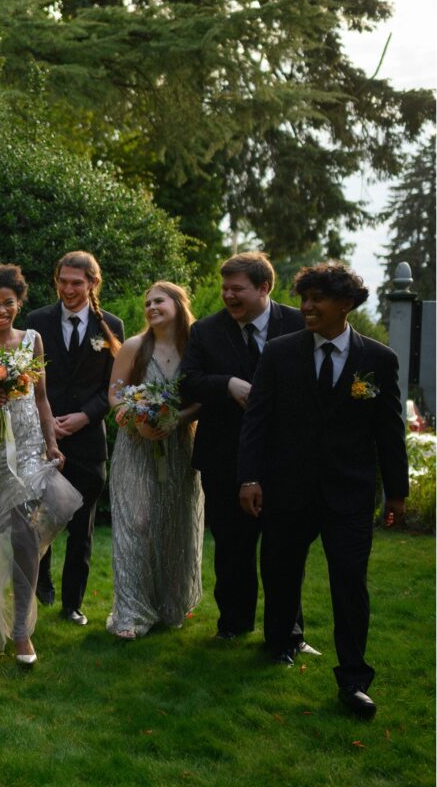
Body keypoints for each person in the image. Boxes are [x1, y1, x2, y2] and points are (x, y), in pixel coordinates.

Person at [239, 260, 409, 720]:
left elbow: (389, 432)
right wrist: (250, 478)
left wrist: (396, 493)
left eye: (318, 299)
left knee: (350, 583)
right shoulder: (278, 352)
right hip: (286, 488)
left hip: (349, 494)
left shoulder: (378, 360)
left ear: (347, 305)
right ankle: (282, 642)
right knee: (279, 569)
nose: (307, 307)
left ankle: (353, 679)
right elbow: (257, 422)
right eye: (304, 298)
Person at [0, 263, 79, 665]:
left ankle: (21, 629)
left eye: (8, 302)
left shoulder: (33, 340)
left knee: (26, 537)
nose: (1, 310)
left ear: (18, 303)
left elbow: (41, 399)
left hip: (26, 450)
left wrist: (51, 443)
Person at [180, 252, 304, 644]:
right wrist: (227, 384)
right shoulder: (206, 330)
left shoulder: (298, 324)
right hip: (224, 457)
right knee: (232, 549)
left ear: (264, 287)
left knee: (285, 551)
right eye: (225, 288)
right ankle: (233, 625)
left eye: (238, 289)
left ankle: (288, 633)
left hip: (284, 457)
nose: (228, 296)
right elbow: (188, 382)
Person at [24, 251, 124, 624]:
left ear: (92, 284)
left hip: (87, 440)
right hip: (41, 434)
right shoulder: (36, 323)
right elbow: (30, 377)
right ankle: (41, 585)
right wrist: (49, 421)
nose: (68, 289)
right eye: (62, 281)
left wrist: (84, 417)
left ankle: (73, 604)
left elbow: (113, 385)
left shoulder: (111, 325)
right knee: (40, 518)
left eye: (76, 283)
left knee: (81, 527)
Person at [107, 283, 204, 639]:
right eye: (146, 302)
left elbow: (203, 396)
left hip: (179, 445)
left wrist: (176, 419)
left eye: (158, 300)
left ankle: (169, 604)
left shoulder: (195, 347)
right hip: (135, 446)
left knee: (174, 522)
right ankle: (131, 613)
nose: (151, 307)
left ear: (178, 303)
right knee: (137, 522)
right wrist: (137, 421)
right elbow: (116, 394)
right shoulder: (134, 346)